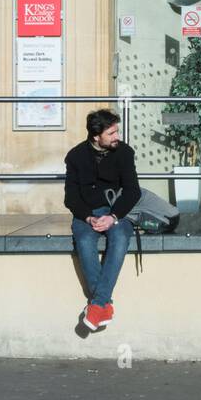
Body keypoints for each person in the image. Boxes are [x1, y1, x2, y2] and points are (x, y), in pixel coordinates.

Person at [64, 109, 140, 331]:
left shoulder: (124, 153)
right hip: (86, 212)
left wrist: (113, 216)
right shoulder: (75, 156)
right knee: (85, 241)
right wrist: (87, 217)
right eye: (111, 133)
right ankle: (104, 305)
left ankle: (97, 304)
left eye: (116, 131)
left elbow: (132, 191)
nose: (117, 136)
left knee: (119, 237)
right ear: (96, 136)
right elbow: (70, 197)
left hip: (117, 210)